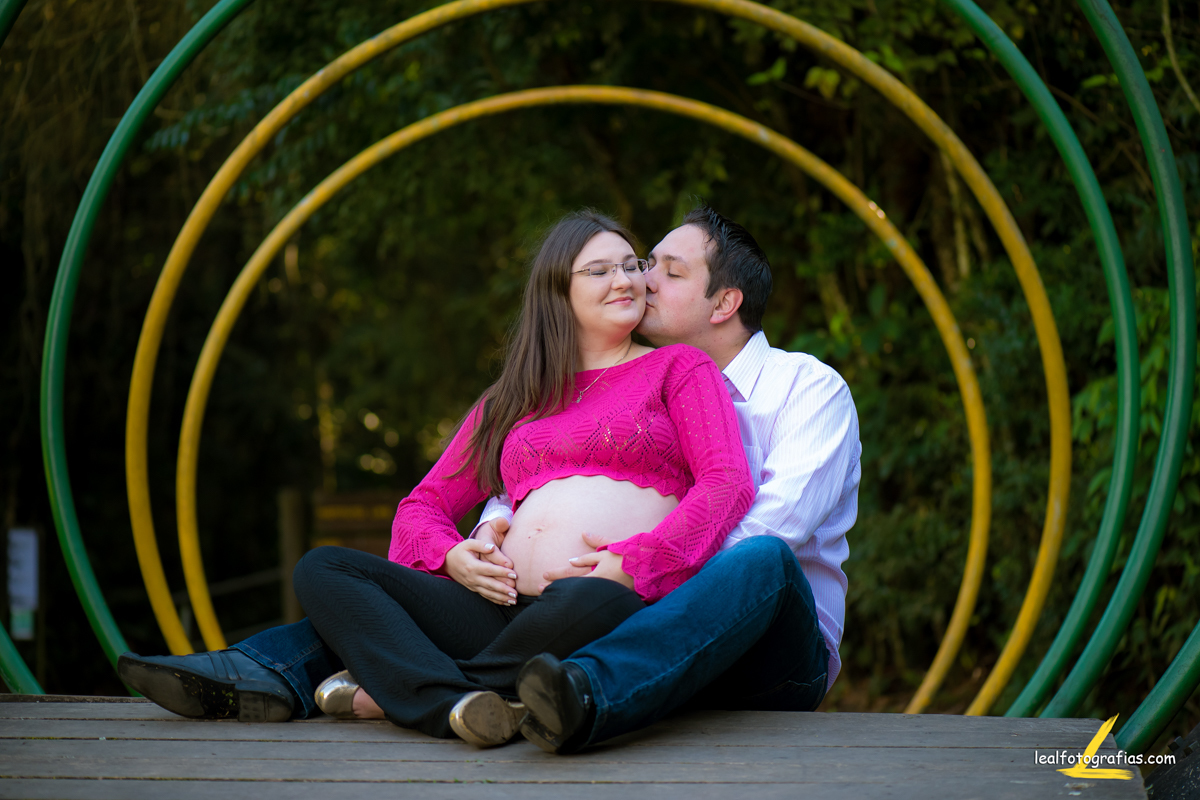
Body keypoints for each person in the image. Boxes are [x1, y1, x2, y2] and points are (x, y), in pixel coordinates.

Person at [118, 210, 755, 747]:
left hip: (599, 601)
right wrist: (453, 555)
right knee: (323, 570)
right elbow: (422, 505)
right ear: (557, 293)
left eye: (631, 265)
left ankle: (405, 694)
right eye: (600, 270)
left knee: (588, 601)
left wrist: (634, 563)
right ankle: (462, 703)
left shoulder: (679, 369)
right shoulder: (515, 398)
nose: (626, 279)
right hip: (495, 608)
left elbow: (726, 484)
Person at [474, 205, 861, 754]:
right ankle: (353, 674)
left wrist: (640, 564)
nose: (640, 279)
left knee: (763, 558)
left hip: (769, 653)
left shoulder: (807, 388)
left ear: (726, 303)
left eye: (669, 272)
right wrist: (500, 523)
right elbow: (546, 469)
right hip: (631, 620)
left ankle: (584, 694)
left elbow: (778, 525)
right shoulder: (634, 386)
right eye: (645, 262)